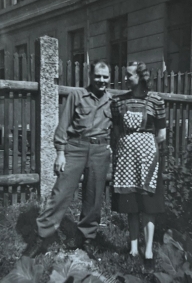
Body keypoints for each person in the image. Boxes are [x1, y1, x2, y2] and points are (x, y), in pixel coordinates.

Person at [26, 60, 112, 258]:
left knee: (94, 196)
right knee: (61, 193)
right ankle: (41, 238)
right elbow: (63, 125)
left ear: (109, 79)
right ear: (90, 76)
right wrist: (60, 153)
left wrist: (111, 146)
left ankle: (86, 239)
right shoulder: (76, 95)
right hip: (75, 147)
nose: (101, 80)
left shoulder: (111, 100)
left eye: (105, 77)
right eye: (98, 76)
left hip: (100, 150)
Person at [111, 61, 166, 270]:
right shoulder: (118, 101)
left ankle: (148, 249)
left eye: (130, 75)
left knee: (148, 204)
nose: (126, 78)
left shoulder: (156, 101)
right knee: (131, 204)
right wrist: (126, 146)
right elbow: (116, 130)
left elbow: (161, 133)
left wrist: (146, 147)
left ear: (141, 77)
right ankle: (133, 248)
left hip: (147, 157)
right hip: (126, 158)